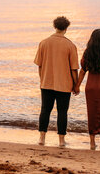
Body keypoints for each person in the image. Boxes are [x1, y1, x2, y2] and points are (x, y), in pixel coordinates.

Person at [34, 16, 79, 147]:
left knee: (45, 110)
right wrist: (76, 85)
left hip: (46, 82)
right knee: (62, 112)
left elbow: (39, 65)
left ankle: (42, 138)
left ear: (55, 26)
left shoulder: (44, 43)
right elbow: (74, 69)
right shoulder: (70, 45)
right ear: (66, 28)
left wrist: (42, 79)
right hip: (64, 85)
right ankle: (61, 140)